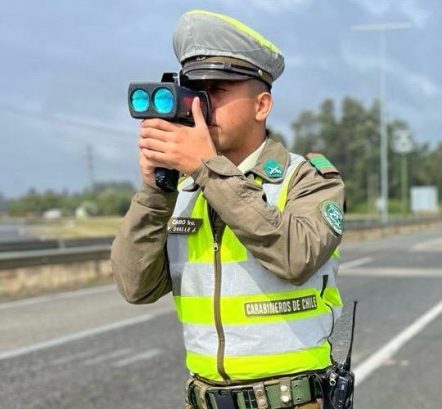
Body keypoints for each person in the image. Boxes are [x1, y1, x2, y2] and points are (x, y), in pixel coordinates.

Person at [111, 9, 345, 409]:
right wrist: (154, 193)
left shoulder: (307, 178)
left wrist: (207, 169)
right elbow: (136, 287)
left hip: (291, 401)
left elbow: (296, 256)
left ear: (261, 105)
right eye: (194, 91)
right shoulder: (183, 188)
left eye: (216, 91)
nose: (200, 107)